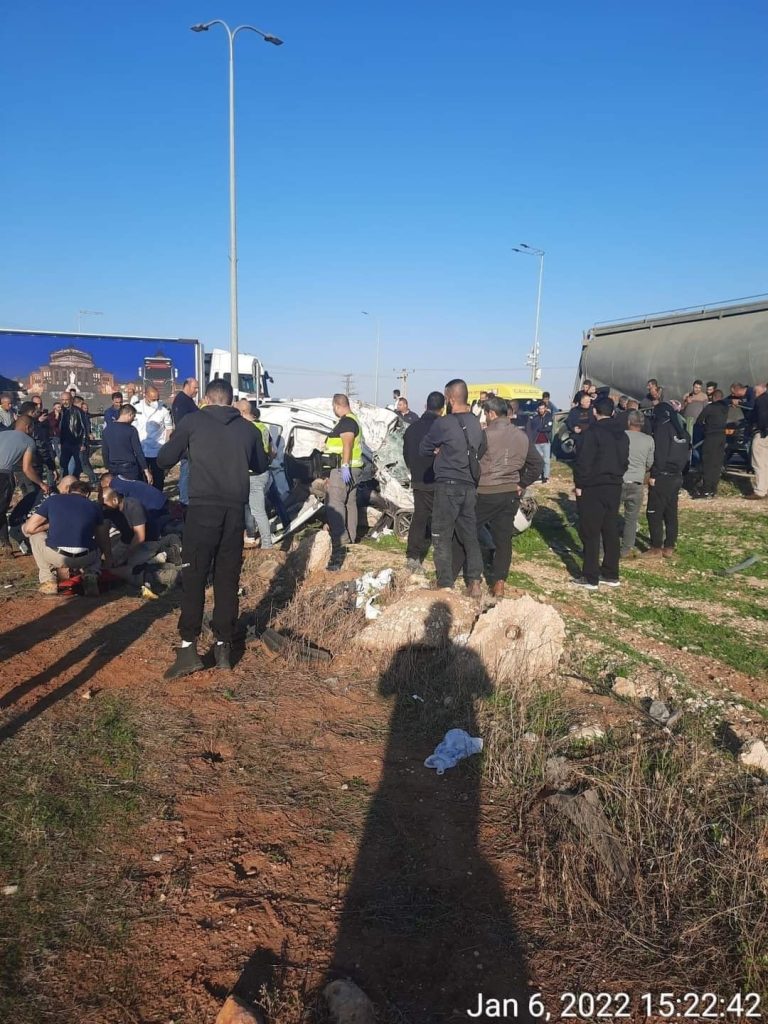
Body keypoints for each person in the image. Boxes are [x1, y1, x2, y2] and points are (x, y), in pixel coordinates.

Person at [156, 378, 265, 678]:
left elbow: (164, 459)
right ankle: (223, 647)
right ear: (231, 400)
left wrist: (183, 445)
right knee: (227, 579)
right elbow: (261, 465)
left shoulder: (193, 422)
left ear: (206, 398)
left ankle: (188, 648)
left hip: (202, 509)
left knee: (194, 576)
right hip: (234, 511)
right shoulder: (249, 429)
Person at [418, 379, 487, 596]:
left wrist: (440, 451)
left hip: (447, 485)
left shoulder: (444, 423)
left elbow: (423, 448)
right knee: (470, 535)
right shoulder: (476, 423)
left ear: (450, 399)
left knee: (441, 535)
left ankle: (445, 583)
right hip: (469, 486)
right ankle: (474, 581)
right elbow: (482, 448)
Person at [571, 396, 629, 590]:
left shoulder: (591, 433)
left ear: (595, 412)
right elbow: (625, 460)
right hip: (614, 485)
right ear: (612, 412)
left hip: (593, 486)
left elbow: (583, 461)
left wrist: (579, 484)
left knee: (591, 531)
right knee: (610, 529)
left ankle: (590, 576)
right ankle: (611, 573)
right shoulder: (622, 435)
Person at [476, 396, 529, 598]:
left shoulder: (486, 435)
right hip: (510, 493)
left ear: (491, 413)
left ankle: (472, 577)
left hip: (487, 491)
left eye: (485, 414)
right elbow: (537, 463)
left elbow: (474, 461)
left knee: (467, 528)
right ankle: (499, 583)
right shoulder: (521, 435)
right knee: (504, 539)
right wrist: (522, 483)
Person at [22, 481, 111, 595]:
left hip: (56, 556)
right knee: (97, 544)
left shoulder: (52, 500)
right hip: (85, 557)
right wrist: (108, 557)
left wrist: (49, 525)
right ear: (87, 494)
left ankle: (48, 580)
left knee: (35, 536)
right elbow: (102, 538)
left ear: (68, 490)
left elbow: (29, 528)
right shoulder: (94, 506)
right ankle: (91, 574)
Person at [402, 390, 445, 572]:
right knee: (444, 519)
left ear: (426, 406)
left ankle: (413, 557)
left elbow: (406, 455)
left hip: (419, 479)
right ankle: (447, 560)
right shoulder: (443, 428)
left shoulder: (412, 428)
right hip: (440, 480)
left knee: (419, 517)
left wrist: (414, 470)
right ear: (442, 409)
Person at [324, 394, 366, 567]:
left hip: (344, 469)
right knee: (350, 503)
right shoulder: (353, 420)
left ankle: (341, 541)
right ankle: (351, 538)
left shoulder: (347, 422)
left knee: (335, 503)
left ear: (336, 405)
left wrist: (345, 465)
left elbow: (347, 444)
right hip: (354, 469)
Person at [644, 402, 690, 557]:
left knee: (654, 512)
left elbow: (660, 455)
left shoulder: (663, 429)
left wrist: (654, 475)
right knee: (671, 512)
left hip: (662, 475)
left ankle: (656, 546)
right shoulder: (683, 432)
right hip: (677, 476)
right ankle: (669, 545)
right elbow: (687, 456)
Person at [0, 415, 48, 555]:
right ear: (28, 427)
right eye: (32, 428)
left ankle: (5, 543)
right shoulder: (28, 441)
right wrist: (41, 483)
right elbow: (27, 469)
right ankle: (5, 544)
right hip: (3, 475)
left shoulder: (2, 434)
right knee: (1, 509)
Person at [237, 399, 273, 549]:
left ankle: (266, 544)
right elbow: (272, 450)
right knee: (251, 508)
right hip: (263, 471)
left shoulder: (247, 429)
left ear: (242, 412)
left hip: (255, 475)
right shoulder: (262, 427)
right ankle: (252, 536)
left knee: (257, 511)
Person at [619, 410, 654, 559]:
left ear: (628, 422)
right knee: (631, 519)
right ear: (643, 424)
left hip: (619, 480)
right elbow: (650, 463)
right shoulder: (649, 440)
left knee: (609, 515)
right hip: (637, 482)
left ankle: (606, 545)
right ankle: (626, 549)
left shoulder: (620, 436)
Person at [100, 472, 172, 539]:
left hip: (154, 506)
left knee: (152, 531)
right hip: (160, 499)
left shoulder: (115, 486)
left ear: (106, 482)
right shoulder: (120, 479)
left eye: (103, 487)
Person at [134, 385, 173, 491]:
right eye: (152, 399)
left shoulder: (163, 409)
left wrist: (165, 448)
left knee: (158, 479)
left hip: (157, 450)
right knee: (142, 479)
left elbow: (169, 429)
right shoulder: (136, 407)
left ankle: (158, 497)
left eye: (157, 399)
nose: (155, 402)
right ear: (145, 395)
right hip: (141, 449)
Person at [102, 404, 151, 482]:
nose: (133, 419)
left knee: (116, 488)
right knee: (131, 488)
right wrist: (146, 470)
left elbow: (105, 451)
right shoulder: (131, 430)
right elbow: (138, 451)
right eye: (133, 416)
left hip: (113, 467)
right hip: (129, 468)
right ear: (129, 415)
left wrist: (107, 466)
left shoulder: (107, 430)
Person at [16, 401, 57, 493]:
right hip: (33, 466)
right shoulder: (34, 427)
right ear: (32, 412)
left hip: (16, 468)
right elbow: (41, 447)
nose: (40, 414)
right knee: (33, 494)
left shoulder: (14, 425)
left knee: (26, 493)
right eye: (38, 412)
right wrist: (51, 466)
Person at [694, 389, 728, 498]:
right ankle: (713, 489)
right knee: (717, 464)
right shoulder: (725, 408)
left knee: (708, 463)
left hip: (711, 437)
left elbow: (699, 421)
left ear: (713, 397)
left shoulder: (710, 407)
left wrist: (704, 427)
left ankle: (706, 490)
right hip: (722, 437)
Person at [171, 377, 199, 507]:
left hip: (192, 442)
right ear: (187, 386)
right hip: (187, 443)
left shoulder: (188, 400)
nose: (197, 390)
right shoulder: (181, 401)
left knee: (190, 472)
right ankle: (184, 501)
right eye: (195, 388)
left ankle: (188, 497)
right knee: (186, 471)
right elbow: (182, 423)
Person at [746, 382, 768, 500]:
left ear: (758, 391)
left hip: (762, 434)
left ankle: (760, 491)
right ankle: (765, 488)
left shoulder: (760, 400)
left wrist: (760, 429)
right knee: (766, 463)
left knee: (758, 462)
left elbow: (762, 416)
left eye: (755, 392)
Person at [59, 391, 87, 478]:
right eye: (63, 400)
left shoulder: (78, 411)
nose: (65, 402)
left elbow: (84, 428)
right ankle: (65, 481)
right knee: (64, 465)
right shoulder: (61, 411)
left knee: (78, 465)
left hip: (76, 442)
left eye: (67, 400)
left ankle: (75, 481)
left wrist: (83, 443)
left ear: (71, 400)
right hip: (64, 443)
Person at [525, 400, 553, 482]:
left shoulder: (549, 417)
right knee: (538, 460)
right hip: (536, 442)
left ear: (545, 408)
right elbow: (531, 429)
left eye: (542, 408)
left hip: (546, 442)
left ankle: (546, 476)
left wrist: (541, 429)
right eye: (540, 409)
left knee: (546, 460)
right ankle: (539, 475)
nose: (541, 410)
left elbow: (549, 428)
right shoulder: (535, 418)